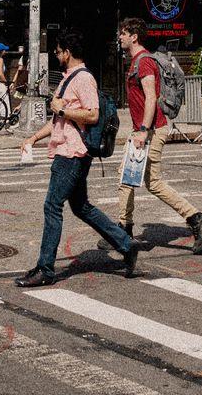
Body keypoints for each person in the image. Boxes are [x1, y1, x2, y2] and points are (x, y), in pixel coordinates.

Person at [16, 29, 138, 288]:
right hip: (66, 149)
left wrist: (65, 109)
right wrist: (34, 138)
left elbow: (92, 115)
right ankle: (127, 245)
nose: (57, 56)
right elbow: (59, 119)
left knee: (52, 206)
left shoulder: (83, 79)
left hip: (72, 152)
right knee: (80, 206)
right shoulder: (68, 78)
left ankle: (46, 268)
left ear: (67, 52)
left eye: (59, 52)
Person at [117, 16, 202, 253]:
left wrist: (143, 131)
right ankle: (124, 228)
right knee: (128, 177)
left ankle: (196, 218)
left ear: (134, 36)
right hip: (143, 129)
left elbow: (151, 97)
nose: (119, 37)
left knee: (152, 182)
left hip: (151, 130)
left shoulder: (144, 62)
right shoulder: (136, 61)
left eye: (122, 33)